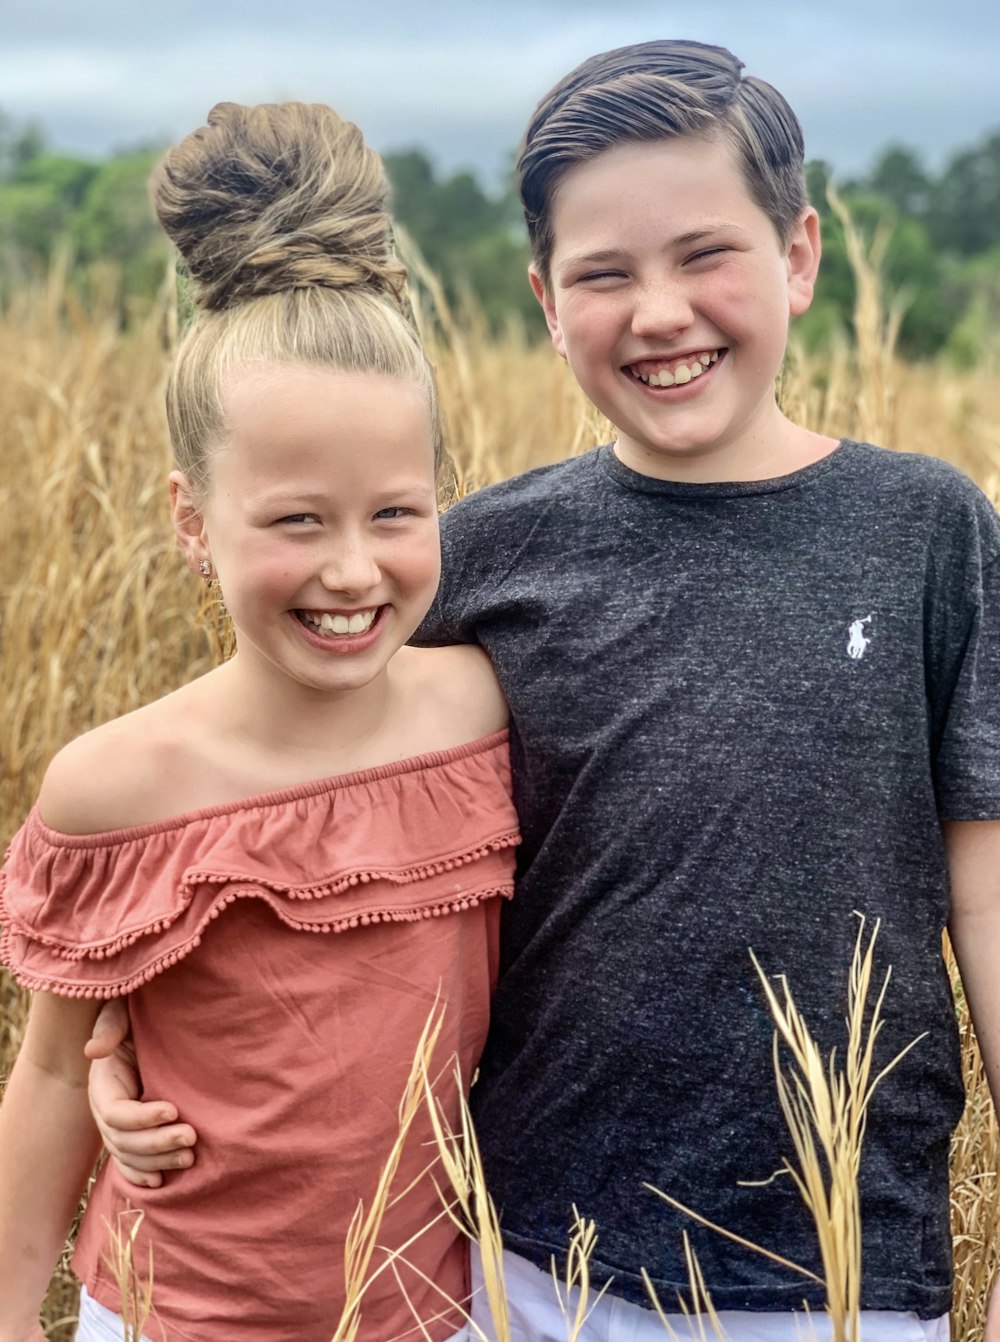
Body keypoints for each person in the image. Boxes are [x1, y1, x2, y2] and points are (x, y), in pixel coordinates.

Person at [88, 41, 1000, 1342]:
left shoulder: (928, 530)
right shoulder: (482, 553)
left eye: (706, 254)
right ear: (542, 296)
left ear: (800, 254)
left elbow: (985, 883)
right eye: (605, 274)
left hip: (846, 1255)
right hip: (531, 1248)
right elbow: (272, 786)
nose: (660, 311)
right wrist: (125, 1037)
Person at [0, 100, 518, 1342]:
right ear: (191, 519)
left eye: (395, 513)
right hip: (185, 1313)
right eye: (297, 521)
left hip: (437, 1314)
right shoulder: (119, 785)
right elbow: (60, 1072)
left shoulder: (484, 709)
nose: (353, 570)